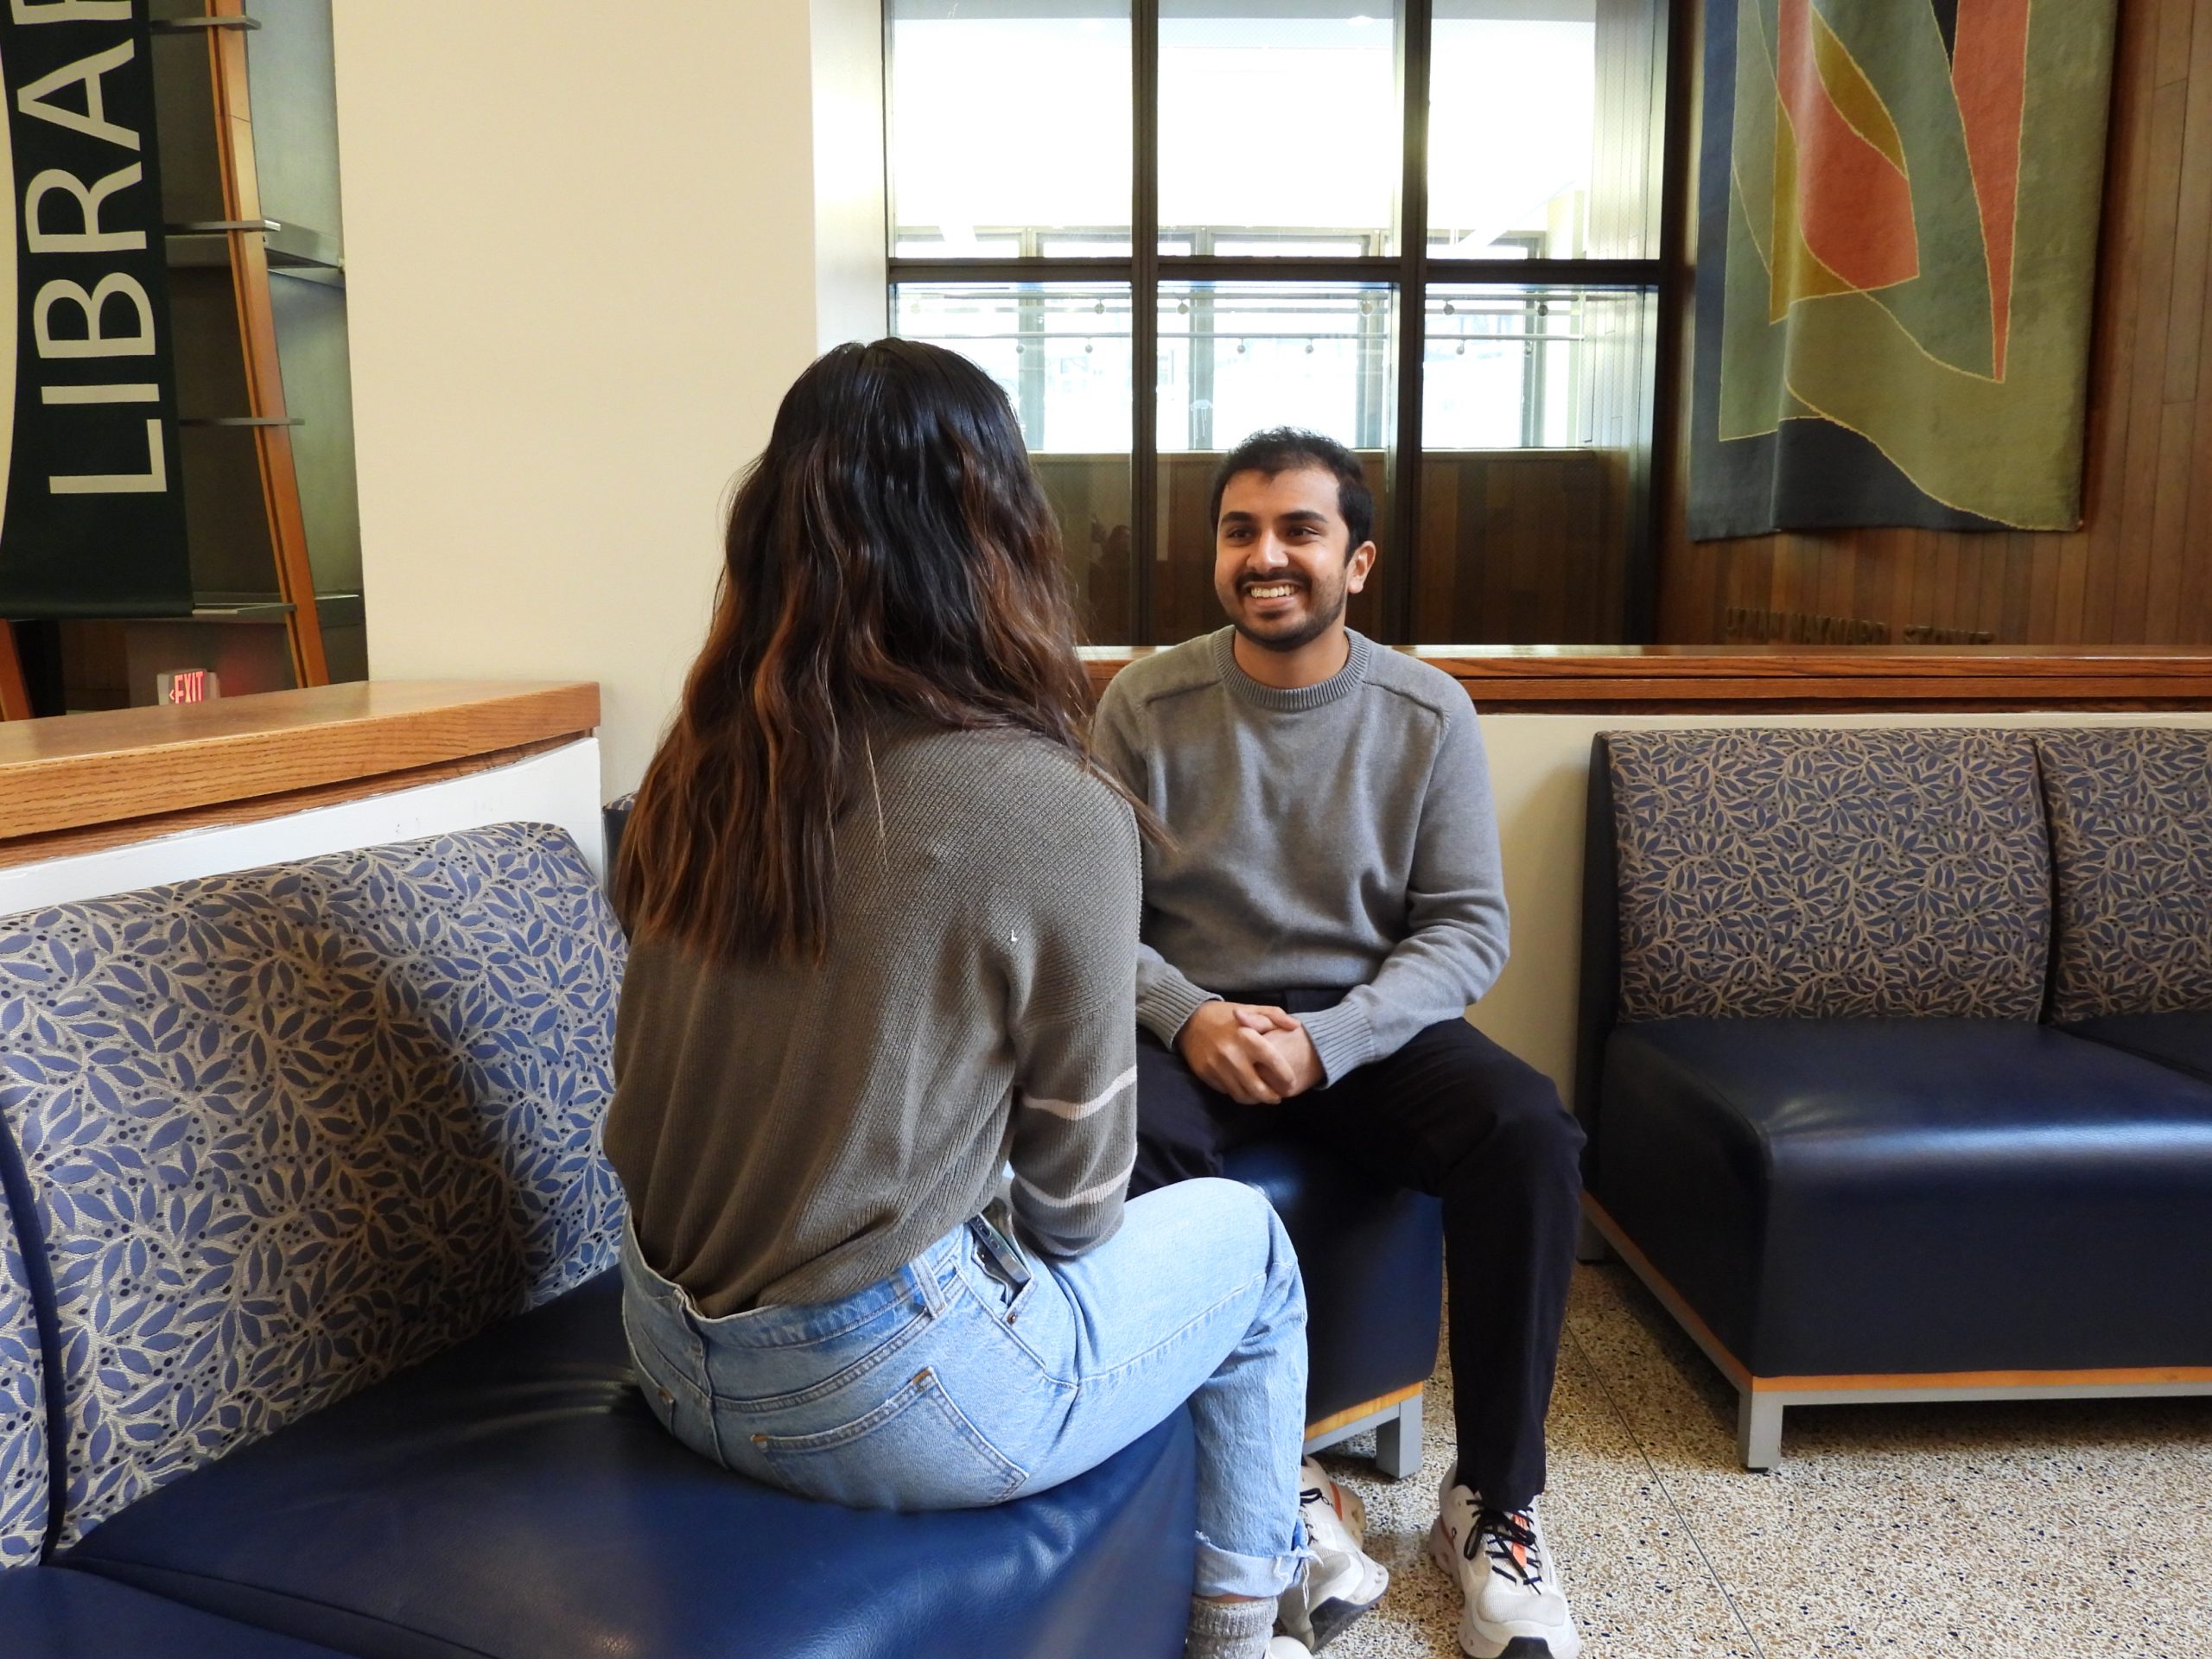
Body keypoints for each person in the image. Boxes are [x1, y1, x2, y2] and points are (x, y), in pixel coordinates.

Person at [605, 346, 1383, 1659]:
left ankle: (1277, 1547)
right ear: (999, 536)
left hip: (667, 1346)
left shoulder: (705, 761)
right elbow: (1080, 1214)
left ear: (776, 529)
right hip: (872, 1394)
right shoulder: (1046, 804)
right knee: (1249, 1250)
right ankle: (1246, 1623)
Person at [1092, 429, 1588, 1659]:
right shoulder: (1143, 702)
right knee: (1123, 1141)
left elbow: (1469, 928)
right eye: (1241, 531)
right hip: (1194, 1023)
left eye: (1300, 531)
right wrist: (1190, 1017)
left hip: (1362, 1030)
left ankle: (1495, 1505)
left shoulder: (1427, 709)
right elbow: (1090, 917)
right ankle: (1274, 1483)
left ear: (1356, 561)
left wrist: (1330, 1040)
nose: (1267, 556)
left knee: (1528, 1132)